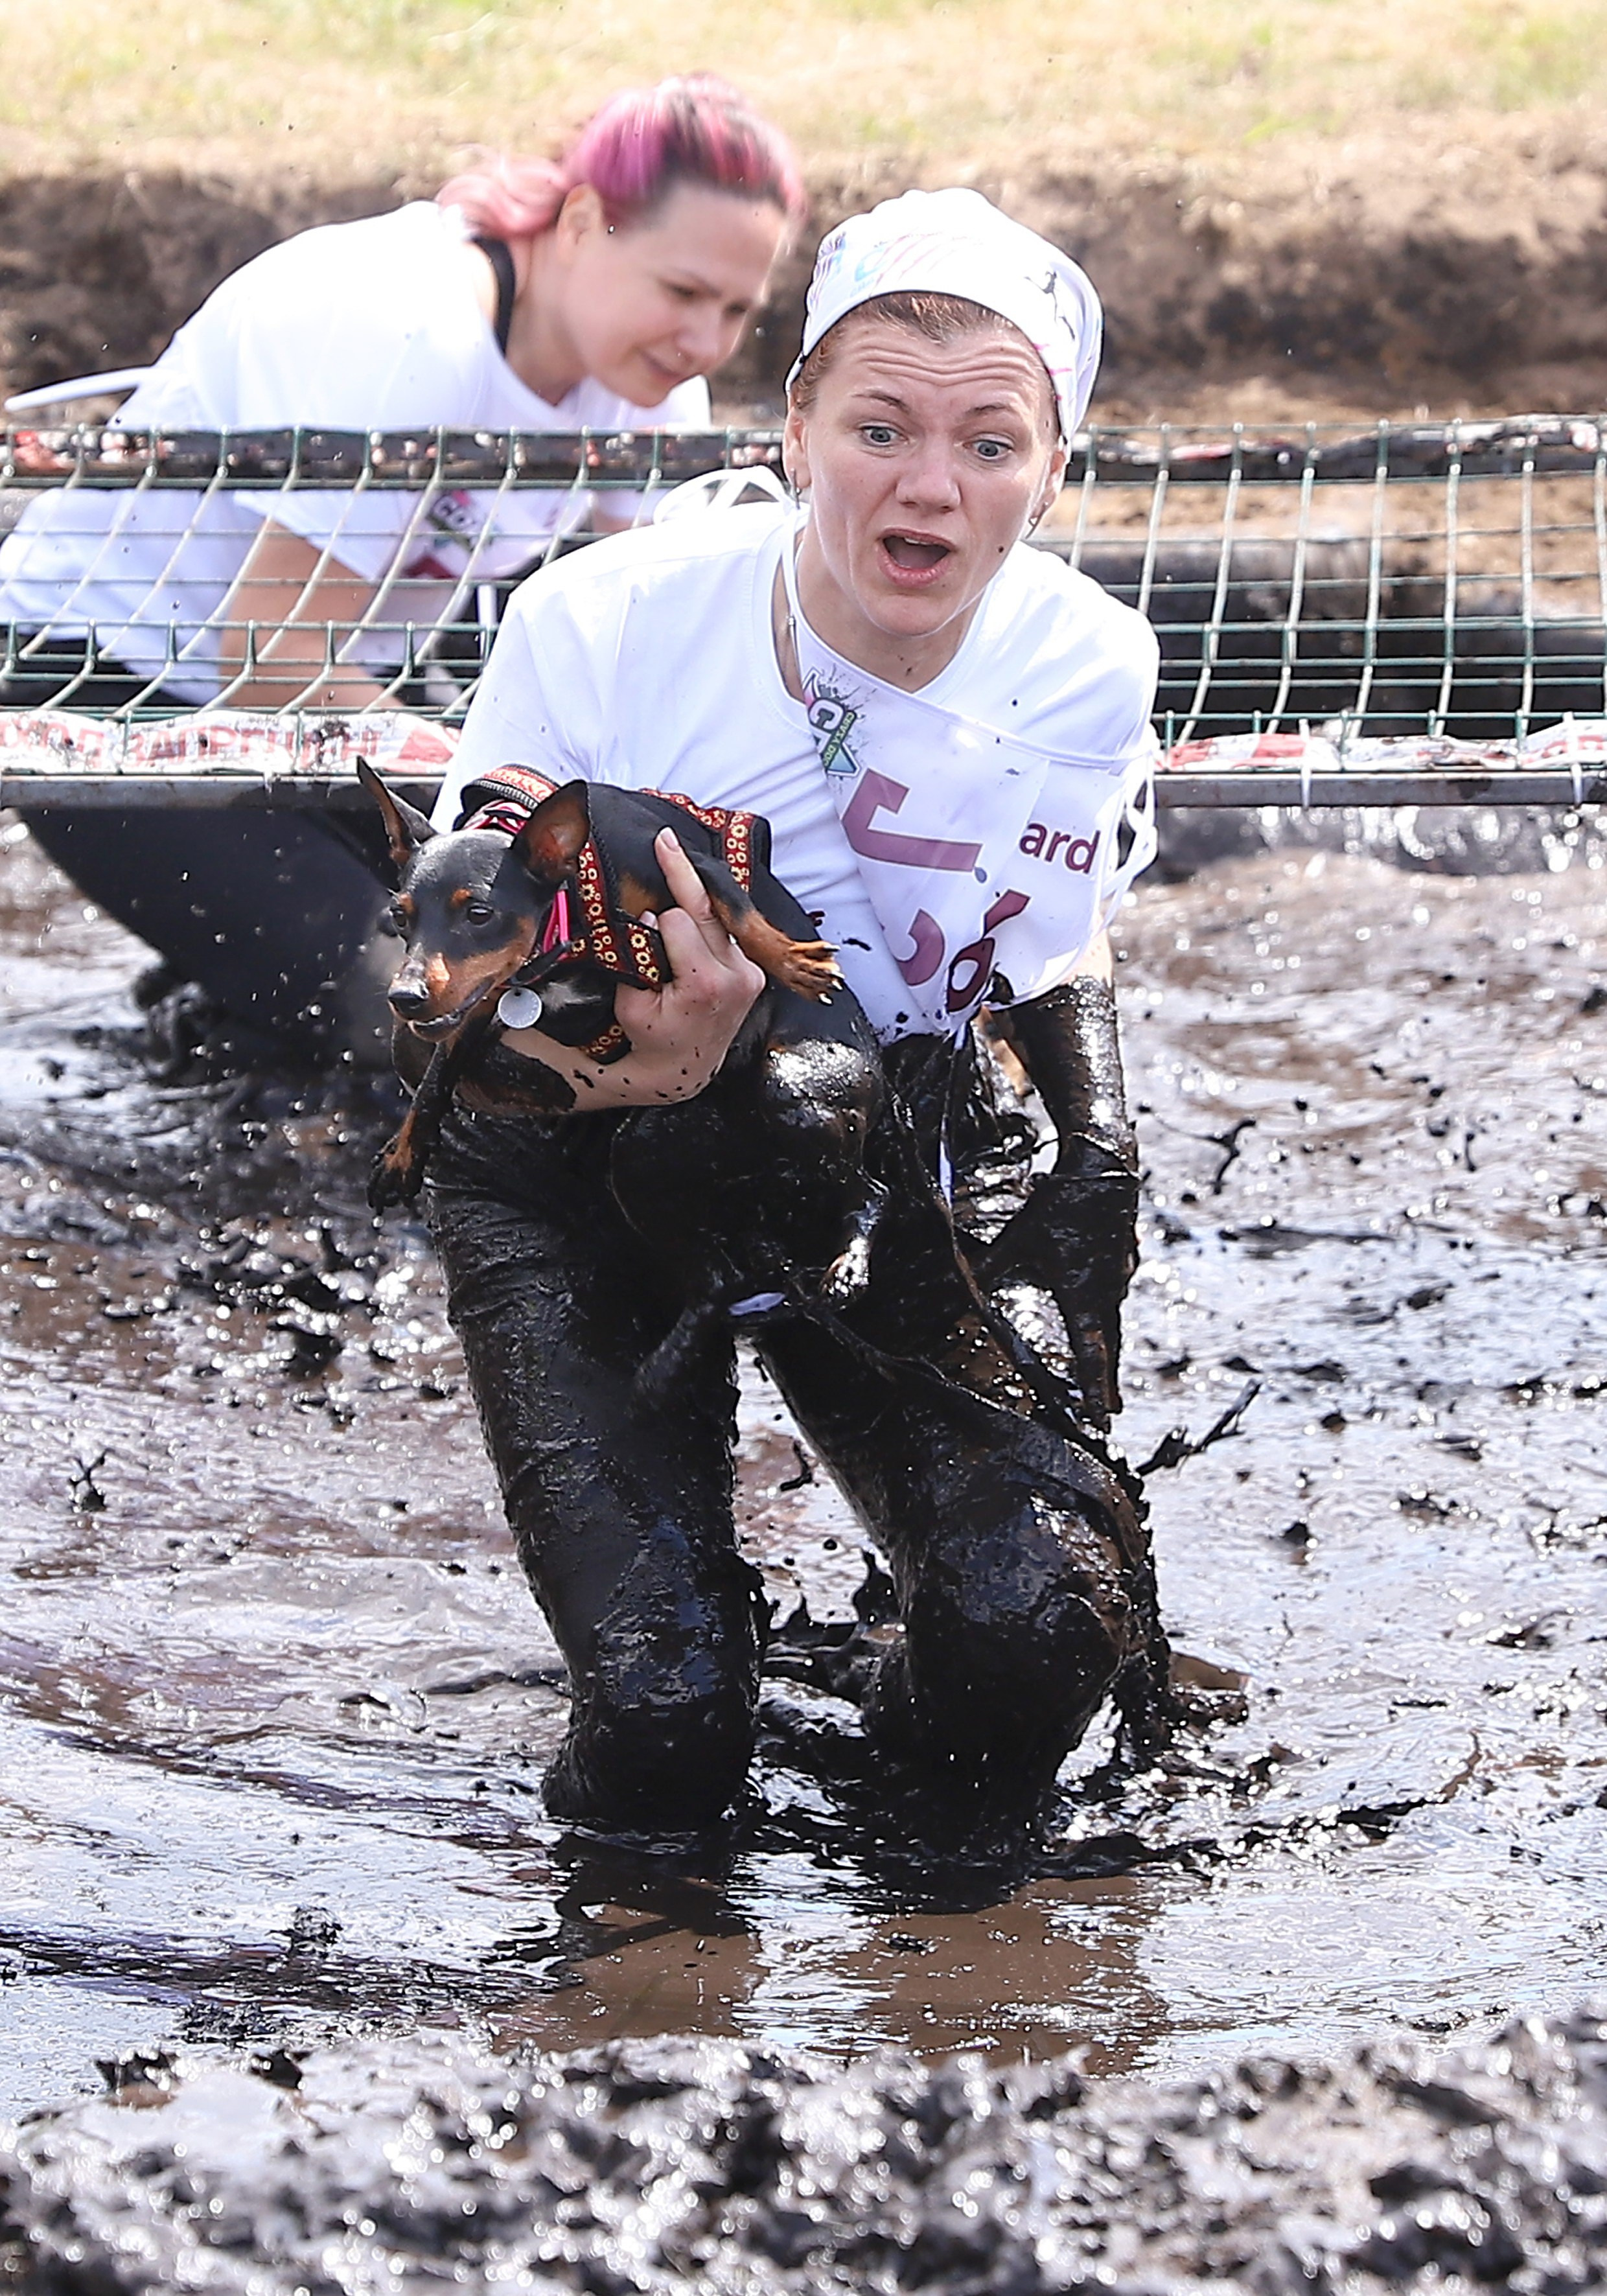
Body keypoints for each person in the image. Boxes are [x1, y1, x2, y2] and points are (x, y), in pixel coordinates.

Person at [424, 186, 1165, 1834]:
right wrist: (616, 1063)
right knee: (669, 1728)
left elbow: (1049, 929)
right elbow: (443, 985)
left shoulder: (1088, 662)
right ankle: (636, 1988)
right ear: (791, 428)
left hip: (874, 1153)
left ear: (1054, 470)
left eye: (989, 442)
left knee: (1033, 1638)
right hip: (572, 1175)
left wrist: (1098, 1144)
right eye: (879, 426)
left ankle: (915, 1871)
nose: (927, 486)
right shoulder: (604, 622)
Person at [0, 76, 804, 1039]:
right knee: (417, 1028)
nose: (705, 344)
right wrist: (515, 794)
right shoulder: (413, 335)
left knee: (570, 969)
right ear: (584, 222)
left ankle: (216, 1015)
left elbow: (667, 664)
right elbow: (268, 671)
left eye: (734, 310)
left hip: (320, 686)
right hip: (97, 686)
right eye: (682, 292)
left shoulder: (648, 375)